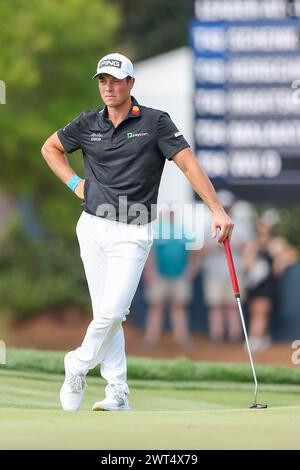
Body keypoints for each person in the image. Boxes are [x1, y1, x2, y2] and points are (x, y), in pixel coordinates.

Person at [41, 52, 233, 412]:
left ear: (131, 84)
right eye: (102, 80)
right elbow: (50, 148)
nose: (108, 87)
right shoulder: (87, 123)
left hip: (133, 229)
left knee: (114, 311)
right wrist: (74, 183)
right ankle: (117, 391)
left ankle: (77, 363)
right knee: (104, 311)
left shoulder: (156, 122)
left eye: (115, 80)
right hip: (93, 226)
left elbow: (189, 165)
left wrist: (216, 208)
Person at [143, 205, 198, 349]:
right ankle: (150, 338)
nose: (171, 215)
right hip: (159, 275)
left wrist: (191, 267)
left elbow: (192, 250)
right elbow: (150, 253)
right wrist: (150, 271)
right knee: (156, 306)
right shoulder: (158, 230)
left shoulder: (183, 230)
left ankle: (182, 338)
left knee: (179, 307)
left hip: (180, 275)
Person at [201, 191, 253, 344]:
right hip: (213, 272)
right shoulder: (208, 225)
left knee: (233, 306)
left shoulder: (241, 225)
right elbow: (200, 248)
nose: (227, 209)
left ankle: (234, 337)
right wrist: (215, 247)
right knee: (215, 305)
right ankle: (217, 336)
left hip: (235, 273)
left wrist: (239, 248)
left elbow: (249, 246)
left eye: (228, 206)